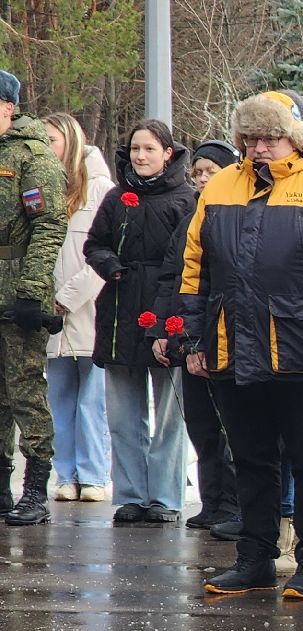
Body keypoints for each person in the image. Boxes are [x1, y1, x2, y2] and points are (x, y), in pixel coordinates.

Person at [180, 92, 303, 598]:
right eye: (251, 138)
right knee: (251, 459)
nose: (259, 147)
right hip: (231, 344)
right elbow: (196, 267)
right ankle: (255, 557)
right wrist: (194, 335)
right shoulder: (219, 187)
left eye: (270, 138)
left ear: (295, 138)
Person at [85, 119, 197, 526]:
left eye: (149, 149)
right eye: (135, 149)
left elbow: (188, 259)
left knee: (169, 412)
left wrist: (174, 318)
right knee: (123, 413)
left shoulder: (186, 199)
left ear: (168, 153)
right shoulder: (117, 198)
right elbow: (93, 243)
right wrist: (110, 265)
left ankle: (165, 495)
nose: (140, 156)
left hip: (167, 309)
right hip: (120, 309)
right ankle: (131, 493)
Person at [0, 69, 71, 527]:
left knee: (25, 389)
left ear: (8, 106)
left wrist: (30, 290)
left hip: (18, 287)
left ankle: (35, 490)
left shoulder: (33, 155)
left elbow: (49, 225)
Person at [163, 140, 243, 533]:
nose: (202, 179)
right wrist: (166, 330)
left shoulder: (231, 216)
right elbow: (173, 279)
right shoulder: (189, 220)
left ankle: (233, 502)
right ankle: (212, 500)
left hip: (221, 332)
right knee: (201, 424)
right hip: (190, 331)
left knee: (229, 424)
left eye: (210, 171)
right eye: (196, 172)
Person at [42, 112, 110, 506]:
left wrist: (66, 297)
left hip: (90, 311)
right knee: (61, 400)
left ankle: (94, 475)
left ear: (70, 141)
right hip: (52, 318)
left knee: (93, 402)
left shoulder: (101, 188)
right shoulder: (43, 187)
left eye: (53, 139)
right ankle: (65, 474)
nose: (48, 147)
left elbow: (102, 257)